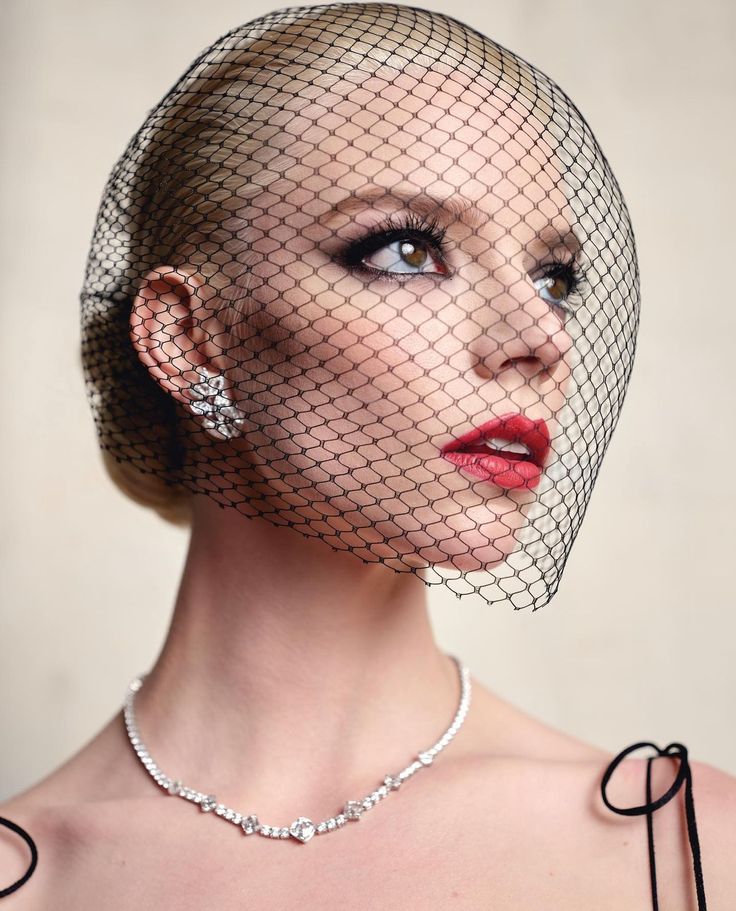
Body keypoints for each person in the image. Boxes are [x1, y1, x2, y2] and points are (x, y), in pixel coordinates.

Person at [1, 3, 733, 907]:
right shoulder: (28, 877)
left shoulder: (684, 849)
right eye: (406, 250)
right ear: (189, 338)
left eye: (555, 277)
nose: (540, 336)